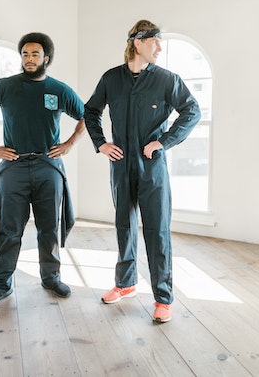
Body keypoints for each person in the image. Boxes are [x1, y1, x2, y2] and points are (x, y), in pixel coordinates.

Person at [83, 20, 201, 323]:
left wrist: (163, 141)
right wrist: (101, 144)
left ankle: (163, 298)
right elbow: (91, 111)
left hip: (152, 167)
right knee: (124, 225)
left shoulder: (166, 80)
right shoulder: (111, 79)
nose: (160, 48)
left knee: (157, 231)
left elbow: (192, 110)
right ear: (138, 42)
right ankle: (126, 284)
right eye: (155, 42)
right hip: (120, 165)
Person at [0, 32, 85, 309]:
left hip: (48, 165)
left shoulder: (59, 90)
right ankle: (1, 283)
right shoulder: (4, 87)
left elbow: (88, 117)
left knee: (49, 228)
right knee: (9, 229)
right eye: (25, 54)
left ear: (47, 58)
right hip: (14, 166)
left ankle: (51, 277)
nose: (29, 59)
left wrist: (68, 144)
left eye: (35, 54)